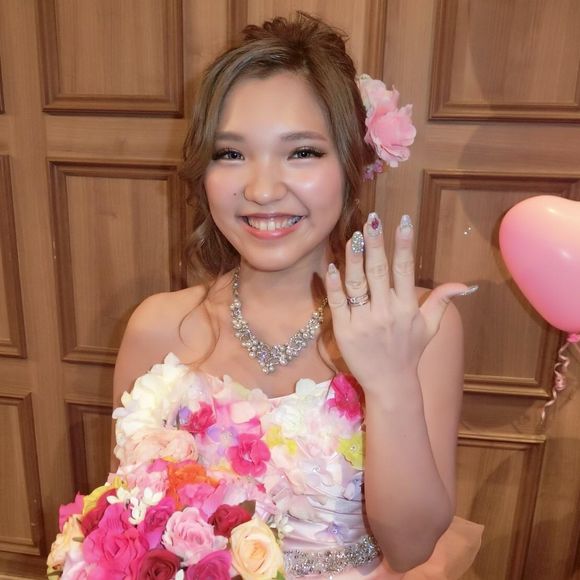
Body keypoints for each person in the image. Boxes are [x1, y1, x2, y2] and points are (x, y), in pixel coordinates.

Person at [111, 12, 483, 579]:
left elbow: (412, 550)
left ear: (353, 164)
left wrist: (390, 385)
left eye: (302, 152)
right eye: (230, 153)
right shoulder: (157, 328)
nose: (262, 190)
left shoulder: (416, 325)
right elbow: (124, 528)